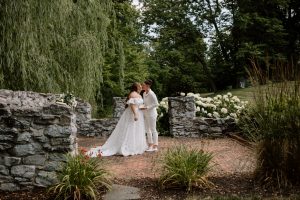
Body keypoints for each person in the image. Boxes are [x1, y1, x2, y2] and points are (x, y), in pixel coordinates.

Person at [86, 82, 148, 157]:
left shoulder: (139, 95)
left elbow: (139, 105)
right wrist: (135, 114)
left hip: (139, 113)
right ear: (136, 87)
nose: (141, 87)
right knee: (130, 129)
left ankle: (135, 146)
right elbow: (132, 105)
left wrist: (143, 108)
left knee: (136, 130)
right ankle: (128, 147)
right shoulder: (133, 94)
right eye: (140, 86)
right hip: (132, 114)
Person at [140, 80, 159, 152]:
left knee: (153, 129)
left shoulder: (152, 94)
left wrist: (147, 107)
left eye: (143, 85)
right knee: (147, 130)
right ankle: (150, 145)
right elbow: (145, 103)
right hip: (146, 114)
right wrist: (142, 106)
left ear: (148, 86)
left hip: (152, 114)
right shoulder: (144, 93)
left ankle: (155, 146)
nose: (142, 86)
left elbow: (156, 104)